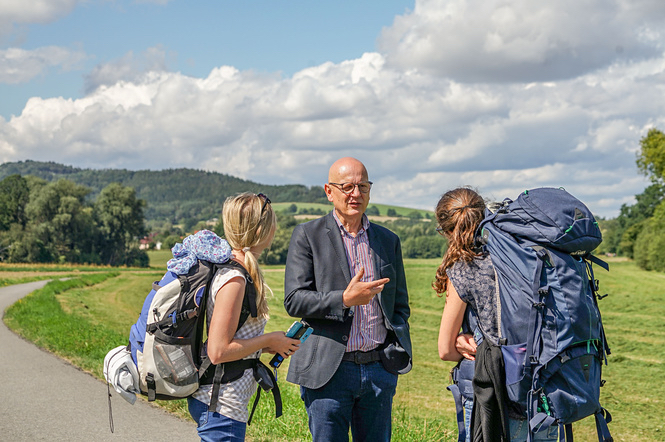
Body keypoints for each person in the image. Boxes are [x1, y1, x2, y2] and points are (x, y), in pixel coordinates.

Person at [284, 157, 412, 442]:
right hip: (329, 372)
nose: (356, 194)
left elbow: (399, 305)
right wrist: (343, 299)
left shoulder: (387, 240)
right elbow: (294, 300)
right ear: (329, 191)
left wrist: (391, 355)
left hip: (379, 370)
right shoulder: (307, 235)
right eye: (348, 186)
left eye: (363, 186)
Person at [435, 187, 558, 442]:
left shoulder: (463, 270)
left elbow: (445, 350)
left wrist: (472, 345)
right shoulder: (526, 258)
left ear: (448, 231)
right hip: (541, 392)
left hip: (492, 396)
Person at [187, 192, 302, 442]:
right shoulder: (235, 278)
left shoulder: (239, 272)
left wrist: (269, 345)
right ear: (263, 230)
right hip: (221, 406)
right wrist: (268, 339)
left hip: (222, 404)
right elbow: (218, 351)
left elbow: (233, 338)